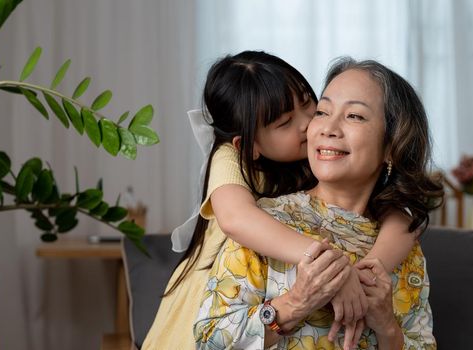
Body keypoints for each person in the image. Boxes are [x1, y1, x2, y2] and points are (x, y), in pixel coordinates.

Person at [143, 51, 423, 349]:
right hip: (193, 321)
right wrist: (335, 271)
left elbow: (405, 218)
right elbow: (237, 220)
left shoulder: (317, 161)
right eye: (285, 122)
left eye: (309, 106)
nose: (309, 125)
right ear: (249, 145)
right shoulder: (231, 158)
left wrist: (367, 275)